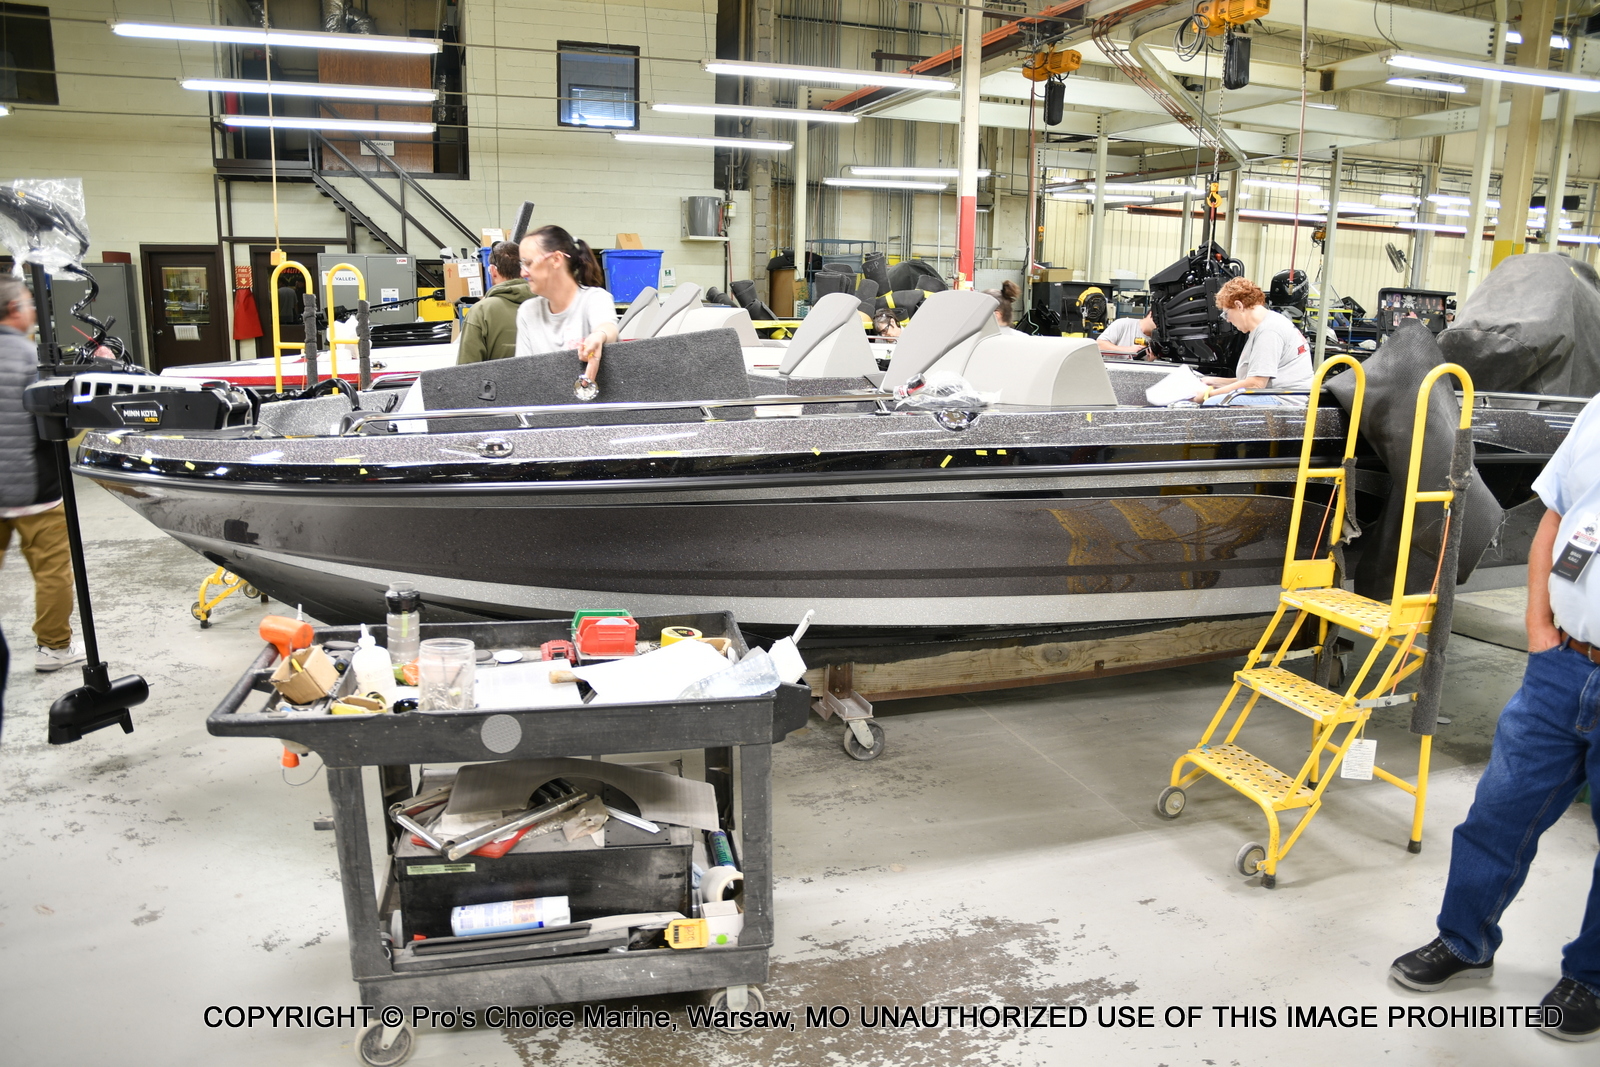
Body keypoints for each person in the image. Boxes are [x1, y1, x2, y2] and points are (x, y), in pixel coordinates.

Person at [1388, 398, 1600, 1043]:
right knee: (1498, 813)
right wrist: (1538, 628)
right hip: (1562, 663)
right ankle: (1464, 939)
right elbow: (1556, 518)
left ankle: (1592, 978)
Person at [0, 277, 84, 673]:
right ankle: (53, 647)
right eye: (29, 304)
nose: (34, 311)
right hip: (35, 491)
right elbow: (59, 425)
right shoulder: (31, 361)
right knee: (52, 571)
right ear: (13, 310)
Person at [514, 225, 618, 385]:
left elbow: (607, 327)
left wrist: (599, 336)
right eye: (522, 264)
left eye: (528, 263)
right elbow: (523, 374)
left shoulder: (595, 298)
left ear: (556, 259)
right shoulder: (527, 311)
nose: (523, 273)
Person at [1195, 277, 1314, 406]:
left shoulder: (1269, 331)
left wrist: (1208, 395)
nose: (1227, 320)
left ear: (1239, 306)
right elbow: (1250, 380)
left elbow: (1255, 384)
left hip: (1284, 401)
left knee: (1213, 403)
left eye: (1226, 314)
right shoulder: (1268, 324)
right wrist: (1214, 382)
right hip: (1278, 394)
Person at [456, 241, 533, 364]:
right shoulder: (545, 305)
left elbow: (466, 368)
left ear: (492, 270)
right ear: (523, 270)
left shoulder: (481, 311)